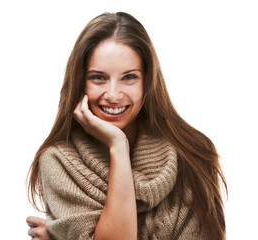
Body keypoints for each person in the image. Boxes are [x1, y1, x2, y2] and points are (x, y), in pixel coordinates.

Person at [26, 12, 227, 240]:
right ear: (80, 82)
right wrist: (118, 146)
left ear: (147, 81)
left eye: (129, 77)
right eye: (98, 77)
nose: (113, 95)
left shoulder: (193, 154)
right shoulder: (59, 160)